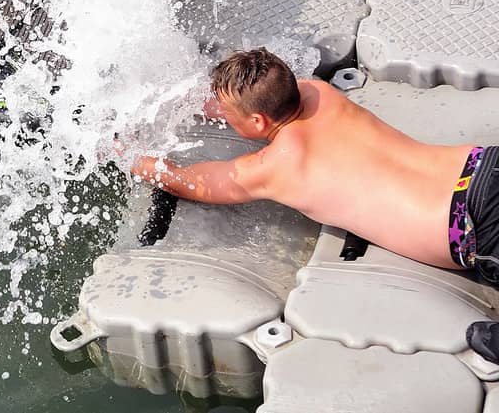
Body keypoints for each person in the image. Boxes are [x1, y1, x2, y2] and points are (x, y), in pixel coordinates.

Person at [129, 47, 499, 361]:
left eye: (229, 113)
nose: (222, 115)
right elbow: (243, 102)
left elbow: (189, 183)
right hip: (483, 164)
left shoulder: (279, 165)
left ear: (258, 120)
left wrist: (125, 154)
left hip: (472, 224)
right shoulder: (317, 93)